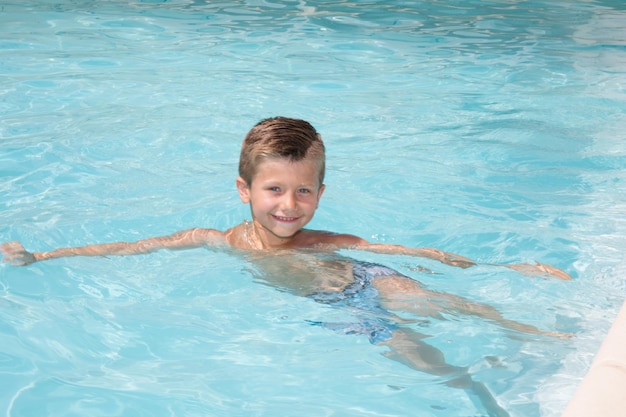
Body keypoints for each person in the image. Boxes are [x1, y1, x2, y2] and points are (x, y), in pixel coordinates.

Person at [1, 116, 571, 417]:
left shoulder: (322, 239)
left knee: (436, 302)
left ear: (321, 191)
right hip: (342, 308)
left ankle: (542, 337)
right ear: (244, 189)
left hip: (360, 278)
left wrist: (505, 265)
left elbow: (405, 251)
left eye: (304, 191)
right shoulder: (214, 239)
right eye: (275, 189)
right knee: (417, 354)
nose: (289, 206)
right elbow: (133, 247)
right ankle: (482, 393)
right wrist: (45, 256)